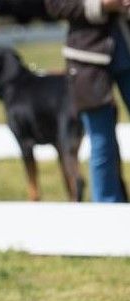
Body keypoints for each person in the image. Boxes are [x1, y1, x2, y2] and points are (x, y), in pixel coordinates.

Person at [45, 0, 130, 202]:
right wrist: (101, 4)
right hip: (87, 60)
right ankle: (107, 211)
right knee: (102, 141)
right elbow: (56, 5)